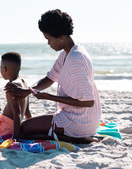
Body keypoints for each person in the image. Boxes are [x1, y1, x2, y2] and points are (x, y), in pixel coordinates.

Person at [6, 9, 101, 143]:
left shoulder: (75, 59)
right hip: (77, 116)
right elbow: (50, 78)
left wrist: (49, 97)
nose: (48, 43)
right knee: (29, 128)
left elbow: (88, 101)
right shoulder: (68, 53)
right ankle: (69, 137)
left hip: (81, 120)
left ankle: (76, 138)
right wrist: (28, 91)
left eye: (49, 39)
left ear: (61, 37)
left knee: (23, 130)